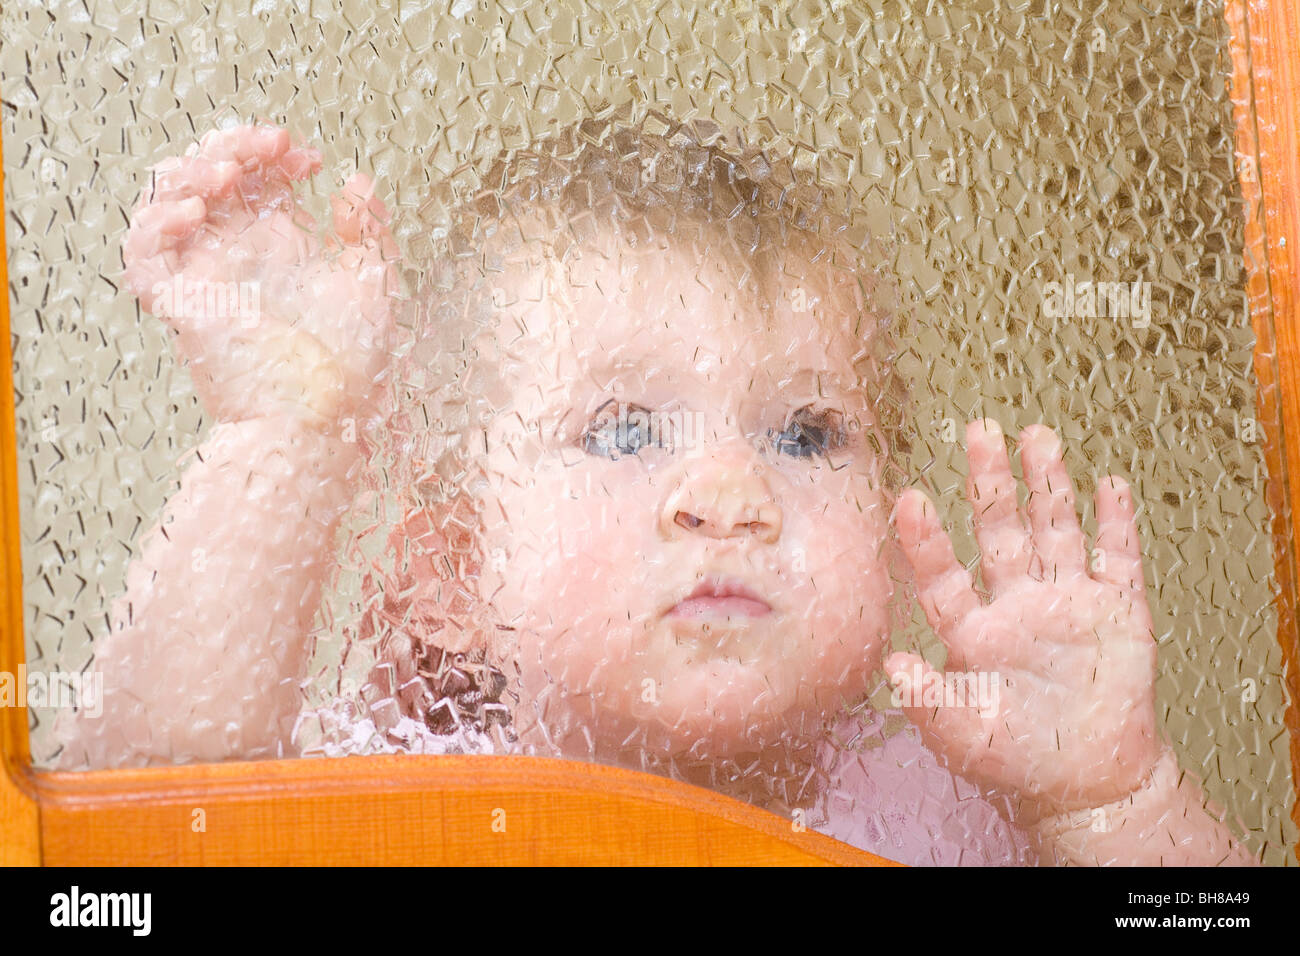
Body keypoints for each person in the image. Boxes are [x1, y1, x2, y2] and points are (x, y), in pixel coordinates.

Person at [56, 113, 1255, 865]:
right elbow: (134, 830)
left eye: (807, 430)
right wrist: (285, 432)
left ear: (892, 561)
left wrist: (1109, 797)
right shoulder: (412, 783)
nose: (730, 492)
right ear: (451, 574)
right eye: (622, 429)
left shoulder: (955, 806)